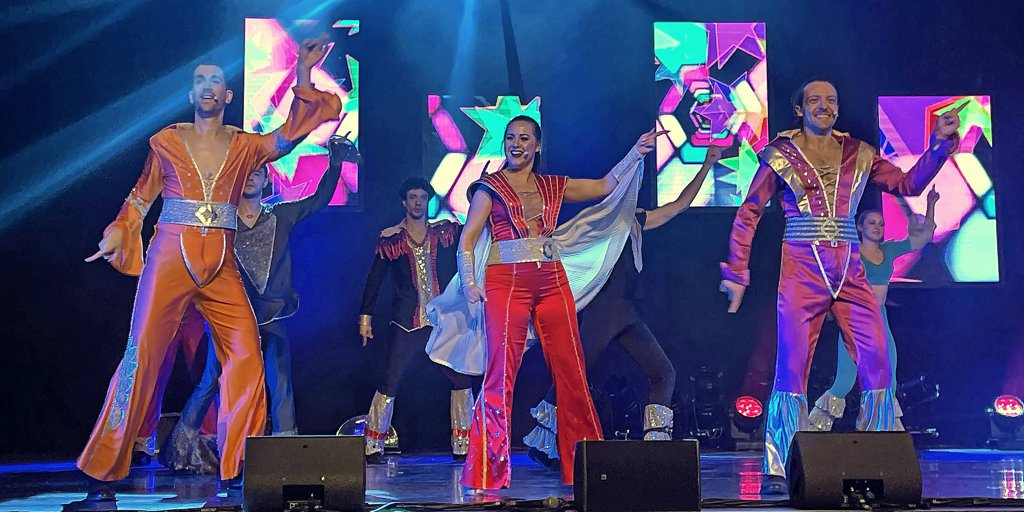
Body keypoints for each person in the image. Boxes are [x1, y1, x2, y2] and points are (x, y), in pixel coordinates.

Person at [73, 36, 341, 506]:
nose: (207, 86)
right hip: (170, 256)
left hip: (220, 263)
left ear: (227, 95)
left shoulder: (244, 145)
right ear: (191, 93)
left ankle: (237, 471)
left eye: (215, 80)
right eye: (199, 80)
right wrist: (120, 227)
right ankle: (103, 471)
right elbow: (140, 197)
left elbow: (288, 135)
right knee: (141, 356)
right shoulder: (166, 141)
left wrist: (303, 71)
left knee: (246, 357)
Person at [718, 80, 961, 493]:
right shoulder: (781, 154)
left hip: (850, 268)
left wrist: (939, 146)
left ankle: (880, 459)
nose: (824, 106)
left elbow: (909, 185)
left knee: (878, 359)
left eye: (831, 100)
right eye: (814, 100)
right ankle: (780, 465)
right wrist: (738, 271)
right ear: (800, 110)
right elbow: (749, 212)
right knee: (792, 367)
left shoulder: (858, 153)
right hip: (801, 268)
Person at [428, 115, 663, 489]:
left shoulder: (552, 186)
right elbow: (468, 239)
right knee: (500, 374)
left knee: (572, 372)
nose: (516, 144)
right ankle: (488, 472)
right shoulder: (489, 187)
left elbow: (605, 185)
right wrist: (470, 282)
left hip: (552, 281)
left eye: (524, 138)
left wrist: (635, 153)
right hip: (506, 283)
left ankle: (584, 469)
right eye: (510, 138)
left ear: (537, 146)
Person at [160, 136, 353, 473]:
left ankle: (285, 455)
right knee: (210, 379)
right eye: (246, 173)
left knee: (279, 383)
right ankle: (180, 452)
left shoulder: (282, 214)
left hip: (272, 315)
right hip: (230, 318)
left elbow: (319, 200)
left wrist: (335, 164)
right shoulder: (221, 220)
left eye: (257, 173)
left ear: (266, 181)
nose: (251, 178)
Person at [523, 145, 724, 464]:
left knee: (663, 373)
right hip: (603, 315)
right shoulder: (595, 221)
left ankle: (656, 444)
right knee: (574, 375)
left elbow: (678, 206)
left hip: (627, 315)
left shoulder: (637, 219)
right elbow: (558, 243)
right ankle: (543, 444)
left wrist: (706, 165)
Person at [358, 177, 472, 464]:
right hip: (406, 322)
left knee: (460, 376)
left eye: (422, 197)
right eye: (413, 197)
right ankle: (372, 445)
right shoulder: (392, 239)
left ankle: (463, 444)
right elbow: (374, 279)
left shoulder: (444, 232)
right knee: (391, 379)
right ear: (404, 202)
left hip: (443, 320)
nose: (418, 202)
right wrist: (365, 317)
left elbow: (473, 245)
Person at [809, 187, 940, 431]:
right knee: (845, 380)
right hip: (855, 320)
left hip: (880, 319)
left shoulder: (888, 251)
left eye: (880, 224)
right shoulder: (850, 253)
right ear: (860, 227)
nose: (877, 227)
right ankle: (813, 430)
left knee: (888, 378)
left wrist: (931, 204)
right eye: (871, 223)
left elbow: (923, 238)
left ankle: (883, 428)